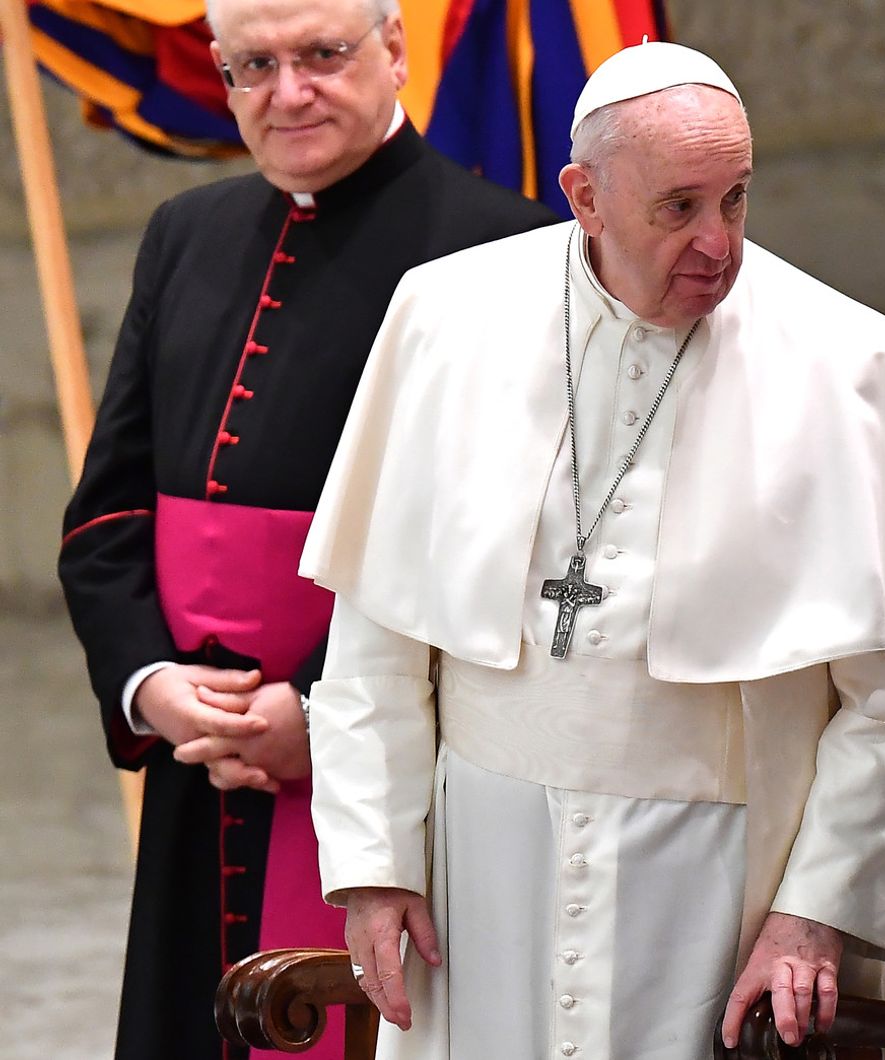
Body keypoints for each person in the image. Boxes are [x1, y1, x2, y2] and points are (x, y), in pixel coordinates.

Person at [299, 41, 885, 1060]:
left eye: (736, 200)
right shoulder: (446, 319)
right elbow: (379, 635)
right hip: (484, 878)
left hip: (718, 888)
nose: (719, 242)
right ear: (585, 195)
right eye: (679, 208)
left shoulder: (847, 364)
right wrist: (375, 864)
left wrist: (815, 914)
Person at [56, 0, 553, 1054]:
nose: (289, 93)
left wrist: (322, 717)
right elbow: (106, 512)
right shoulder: (184, 235)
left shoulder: (507, 250)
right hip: (201, 764)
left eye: (323, 55)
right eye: (254, 66)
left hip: (383, 780)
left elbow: (497, 537)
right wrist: (154, 684)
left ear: (397, 52)